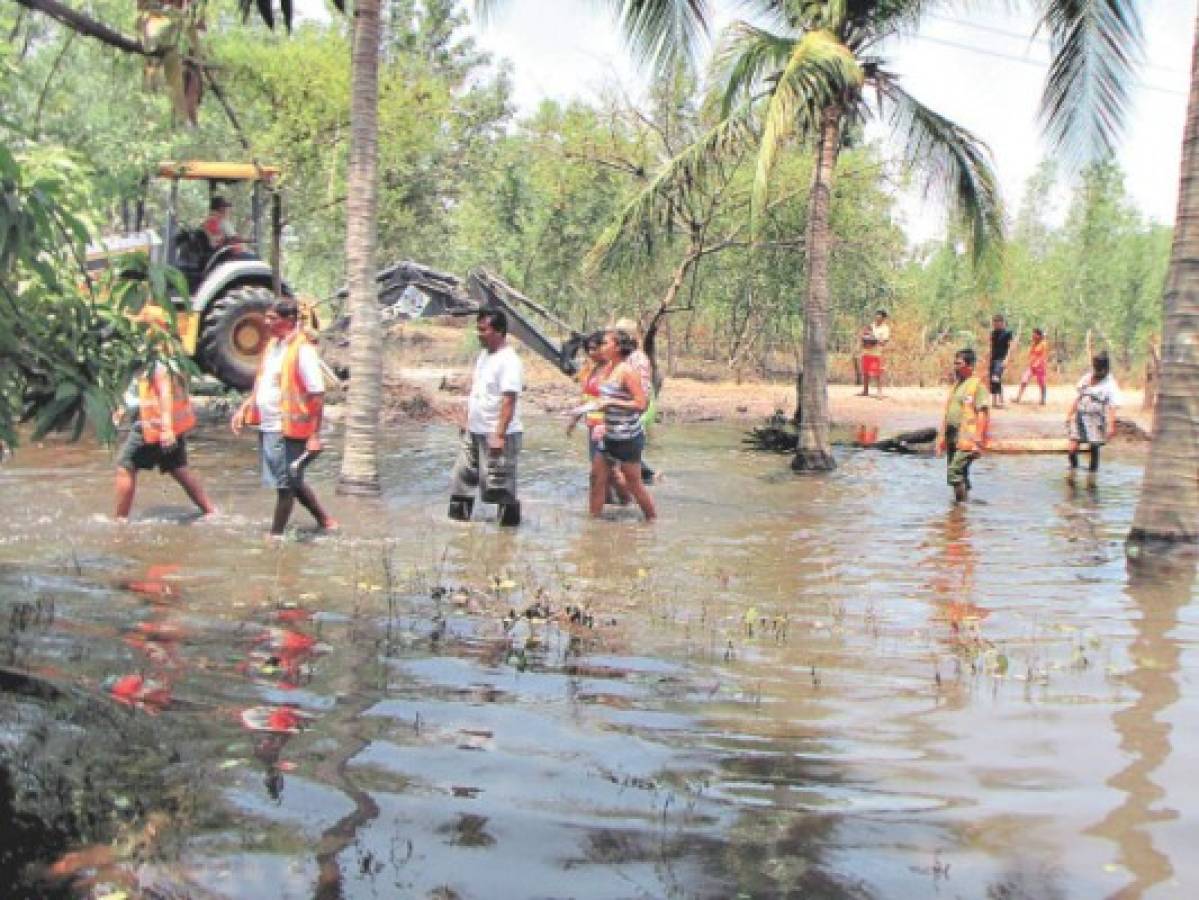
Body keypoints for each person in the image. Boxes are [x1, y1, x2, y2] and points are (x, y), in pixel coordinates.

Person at [231, 298, 336, 538]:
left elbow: (317, 394)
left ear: (289, 320)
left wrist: (314, 435)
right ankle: (325, 520)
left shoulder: (303, 351)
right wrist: (244, 407)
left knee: (285, 485)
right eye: (267, 317)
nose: (266, 323)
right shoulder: (273, 346)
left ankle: (275, 535)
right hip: (269, 425)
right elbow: (264, 382)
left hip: (287, 427)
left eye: (272, 319)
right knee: (291, 478)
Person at [114, 307, 216, 521]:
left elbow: (165, 391)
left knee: (125, 466)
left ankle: (120, 521)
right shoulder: (167, 352)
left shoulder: (159, 357)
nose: (137, 330)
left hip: (152, 425)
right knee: (178, 468)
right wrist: (122, 407)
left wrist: (167, 429)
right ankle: (211, 511)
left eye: (142, 326)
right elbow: (138, 386)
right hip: (167, 425)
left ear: (154, 329)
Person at [448, 309, 524, 526]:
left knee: (500, 486)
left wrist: (499, 434)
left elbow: (509, 399)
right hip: (474, 430)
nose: (478, 333)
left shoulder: (509, 361)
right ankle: (458, 530)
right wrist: (466, 419)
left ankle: (507, 540)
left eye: (483, 329)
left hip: (498, 433)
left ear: (499, 331)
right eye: (477, 328)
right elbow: (478, 391)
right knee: (461, 479)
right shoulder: (484, 355)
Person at [591, 328, 656, 521]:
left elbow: (641, 404)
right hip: (607, 435)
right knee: (597, 479)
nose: (600, 347)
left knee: (634, 484)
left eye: (605, 343)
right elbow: (604, 397)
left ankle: (652, 520)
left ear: (618, 347)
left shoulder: (627, 371)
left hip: (627, 437)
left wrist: (612, 403)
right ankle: (592, 525)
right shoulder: (606, 368)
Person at [567, 330, 629, 504]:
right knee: (601, 472)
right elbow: (585, 397)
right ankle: (606, 506)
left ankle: (627, 503)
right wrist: (574, 419)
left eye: (595, 348)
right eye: (588, 349)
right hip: (592, 426)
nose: (592, 353)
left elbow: (615, 397)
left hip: (606, 426)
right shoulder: (592, 370)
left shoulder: (612, 370)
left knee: (611, 472)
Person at [937, 348, 990, 503]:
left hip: (968, 439)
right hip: (953, 436)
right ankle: (963, 513)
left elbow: (982, 412)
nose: (955, 366)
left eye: (959, 363)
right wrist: (941, 438)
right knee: (960, 473)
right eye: (954, 363)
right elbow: (947, 413)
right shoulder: (957, 385)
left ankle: (959, 510)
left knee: (954, 472)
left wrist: (978, 439)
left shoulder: (977, 386)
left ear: (970, 366)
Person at [613, 317, 657, 484]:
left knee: (626, 464)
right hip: (625, 414)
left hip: (635, 412)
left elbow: (643, 394)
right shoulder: (622, 357)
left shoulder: (638, 359)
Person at [1065, 351, 1120, 485]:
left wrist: (1111, 425)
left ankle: (1092, 478)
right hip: (1080, 416)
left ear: (1106, 369)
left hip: (1095, 419)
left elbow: (1112, 406)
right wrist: (1069, 414)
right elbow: (1079, 397)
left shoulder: (1110, 383)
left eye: (1101, 369)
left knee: (1094, 447)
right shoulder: (1086, 378)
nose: (1098, 372)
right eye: (1096, 368)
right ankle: (1073, 470)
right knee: (1072, 448)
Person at [1013, 327, 1050, 405]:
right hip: (1032, 365)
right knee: (1024, 379)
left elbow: (1043, 355)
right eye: (1033, 334)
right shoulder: (1034, 343)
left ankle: (1043, 399)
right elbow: (1031, 354)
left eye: (1035, 334)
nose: (1033, 336)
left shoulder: (1043, 344)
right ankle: (1018, 397)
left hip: (1040, 366)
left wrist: (1039, 362)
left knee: (1041, 383)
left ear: (1039, 335)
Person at [859, 309, 890, 398]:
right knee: (865, 372)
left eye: (879, 315)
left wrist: (874, 340)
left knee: (878, 373)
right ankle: (865, 391)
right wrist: (864, 339)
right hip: (866, 352)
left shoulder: (885, 328)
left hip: (877, 353)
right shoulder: (871, 326)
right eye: (876, 314)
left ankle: (879, 392)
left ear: (883, 318)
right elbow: (864, 335)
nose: (877, 316)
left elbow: (884, 342)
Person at [986, 314, 1013, 408]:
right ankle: (995, 401)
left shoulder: (1008, 333)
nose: (995, 325)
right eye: (994, 323)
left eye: (997, 323)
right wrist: (988, 357)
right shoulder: (993, 333)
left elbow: (1010, 347)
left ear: (1001, 323)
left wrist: (1007, 359)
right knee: (993, 379)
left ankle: (1000, 400)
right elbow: (991, 346)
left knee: (996, 378)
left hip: (1001, 359)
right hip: (993, 358)